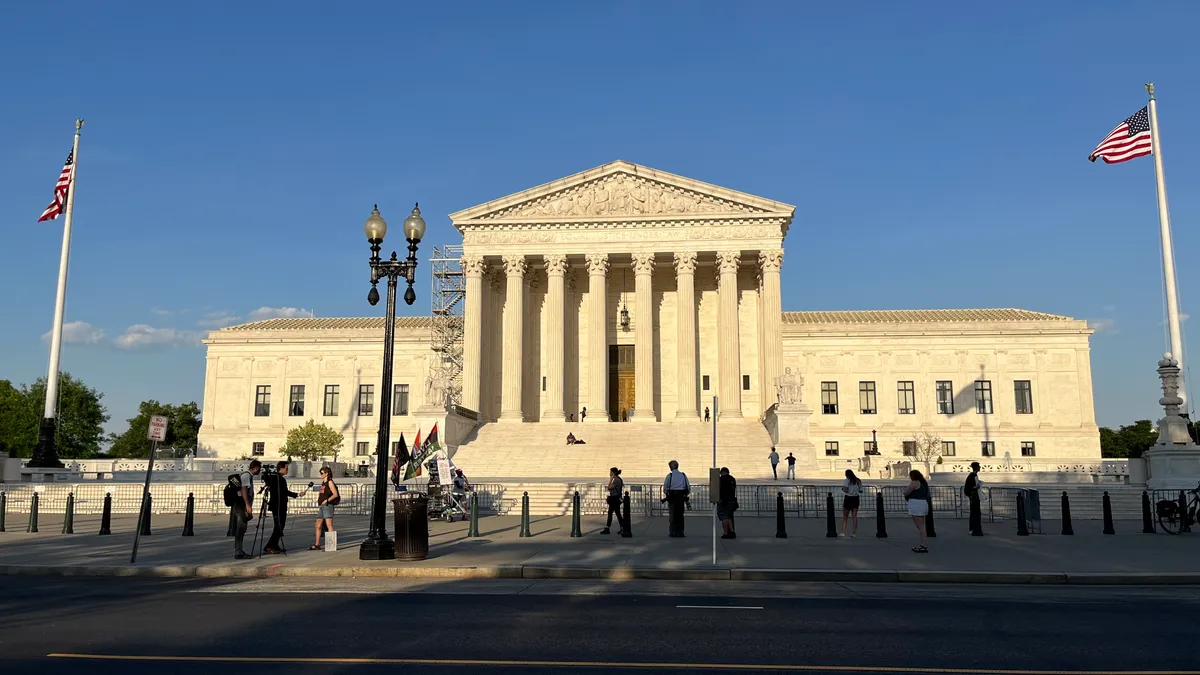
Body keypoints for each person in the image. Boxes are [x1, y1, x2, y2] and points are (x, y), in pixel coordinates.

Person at [263, 461, 306, 554]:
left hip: (281, 505)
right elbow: (283, 491)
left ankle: (274, 544)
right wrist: (297, 494)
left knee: (280, 526)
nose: (287, 470)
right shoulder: (277, 478)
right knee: (278, 526)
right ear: (281, 468)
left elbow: (283, 491)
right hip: (277, 505)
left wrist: (297, 494)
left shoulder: (280, 479)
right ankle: (270, 546)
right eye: (286, 468)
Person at [232, 460, 262, 560]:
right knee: (241, 528)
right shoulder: (246, 475)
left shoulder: (248, 475)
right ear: (256, 468)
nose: (259, 471)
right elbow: (244, 489)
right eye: (259, 469)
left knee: (242, 528)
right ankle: (238, 551)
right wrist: (247, 504)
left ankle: (239, 550)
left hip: (242, 505)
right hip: (241, 506)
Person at [310, 466, 339, 551]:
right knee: (318, 525)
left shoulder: (330, 482)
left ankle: (331, 545)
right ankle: (317, 544)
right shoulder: (323, 482)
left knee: (329, 525)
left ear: (326, 473)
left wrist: (327, 500)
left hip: (327, 505)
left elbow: (335, 494)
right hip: (322, 506)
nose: (321, 475)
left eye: (322, 473)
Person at [904, 469, 930, 553]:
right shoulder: (923, 483)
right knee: (922, 525)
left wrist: (904, 492)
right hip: (923, 503)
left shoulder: (914, 482)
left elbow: (907, 492)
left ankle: (923, 545)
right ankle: (924, 544)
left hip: (916, 504)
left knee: (920, 526)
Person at [663, 460, 690, 537]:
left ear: (672, 467)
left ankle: (673, 532)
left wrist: (668, 494)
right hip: (681, 497)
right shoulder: (683, 475)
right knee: (680, 515)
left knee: (672, 515)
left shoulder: (670, 476)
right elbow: (688, 487)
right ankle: (681, 531)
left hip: (672, 498)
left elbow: (665, 487)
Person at [602, 467, 629, 536]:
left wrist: (610, 480)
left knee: (611, 513)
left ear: (613, 473)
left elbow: (609, 487)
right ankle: (622, 527)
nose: (609, 473)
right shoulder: (618, 479)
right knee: (617, 513)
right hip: (616, 498)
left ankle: (608, 528)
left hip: (615, 498)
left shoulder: (616, 480)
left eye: (610, 472)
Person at [717, 467, 738, 539]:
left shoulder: (722, 479)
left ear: (722, 472)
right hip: (731, 500)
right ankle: (732, 531)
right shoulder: (732, 479)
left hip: (724, 501)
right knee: (729, 517)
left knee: (724, 517)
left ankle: (726, 532)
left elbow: (721, 490)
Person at [841, 469, 862, 537]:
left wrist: (843, 489)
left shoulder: (847, 480)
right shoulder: (858, 480)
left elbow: (846, 490)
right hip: (856, 498)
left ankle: (843, 532)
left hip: (848, 498)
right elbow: (861, 490)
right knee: (854, 516)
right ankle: (854, 533)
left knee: (845, 517)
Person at [965, 461, 984, 536]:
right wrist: (976, 487)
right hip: (973, 497)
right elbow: (968, 486)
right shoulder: (971, 476)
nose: (980, 467)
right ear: (976, 468)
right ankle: (972, 528)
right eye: (979, 466)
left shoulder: (974, 475)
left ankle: (973, 528)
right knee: (974, 513)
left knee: (975, 513)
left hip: (975, 496)